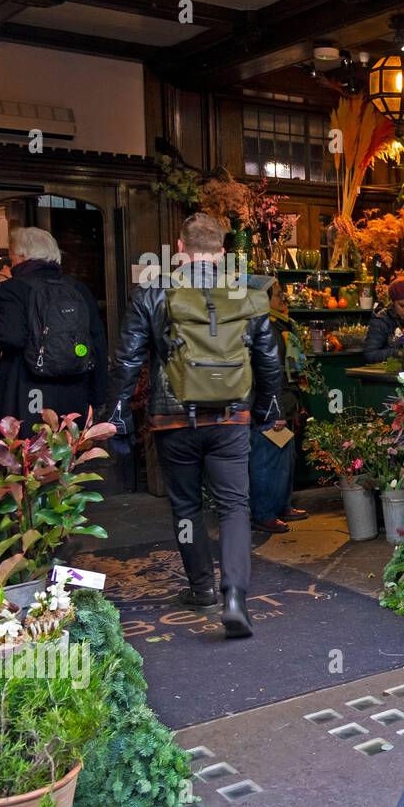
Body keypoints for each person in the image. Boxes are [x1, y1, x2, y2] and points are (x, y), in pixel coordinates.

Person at [106, 213, 284, 638]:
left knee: (186, 506)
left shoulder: (152, 292)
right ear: (222, 252)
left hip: (173, 420)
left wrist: (116, 412)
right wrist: (267, 407)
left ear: (180, 248)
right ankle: (236, 595)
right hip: (230, 418)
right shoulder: (245, 292)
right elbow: (269, 358)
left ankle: (202, 588)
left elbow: (127, 359)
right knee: (234, 506)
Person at [0, 227, 107, 428]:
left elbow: (11, 337)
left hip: (27, 390)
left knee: (30, 453)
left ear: (22, 255)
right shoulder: (77, 288)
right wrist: (98, 396)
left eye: (12, 257)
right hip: (75, 390)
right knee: (69, 451)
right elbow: (97, 341)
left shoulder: (14, 288)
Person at [249, 281, 308, 534]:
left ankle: (282, 506)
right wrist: (276, 411)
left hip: (283, 402)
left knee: (284, 459)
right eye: (278, 294)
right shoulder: (265, 328)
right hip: (270, 406)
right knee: (267, 460)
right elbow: (267, 374)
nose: (284, 298)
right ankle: (264, 513)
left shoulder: (281, 325)